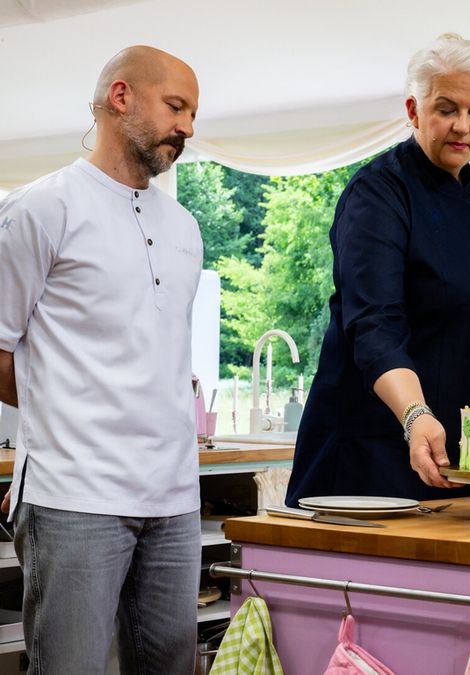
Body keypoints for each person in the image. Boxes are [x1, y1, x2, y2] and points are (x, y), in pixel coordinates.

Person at [0, 46, 203, 672]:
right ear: (121, 98)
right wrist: (64, 402)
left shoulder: (186, 227)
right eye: (176, 107)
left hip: (174, 497)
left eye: (193, 114)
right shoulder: (41, 208)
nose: (188, 128)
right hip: (73, 494)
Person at [287, 34, 470, 504]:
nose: (463, 126)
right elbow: (374, 324)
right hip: (374, 453)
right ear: (413, 110)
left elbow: (454, 299)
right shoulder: (377, 194)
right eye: (446, 109)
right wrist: (415, 415)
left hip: (457, 450)